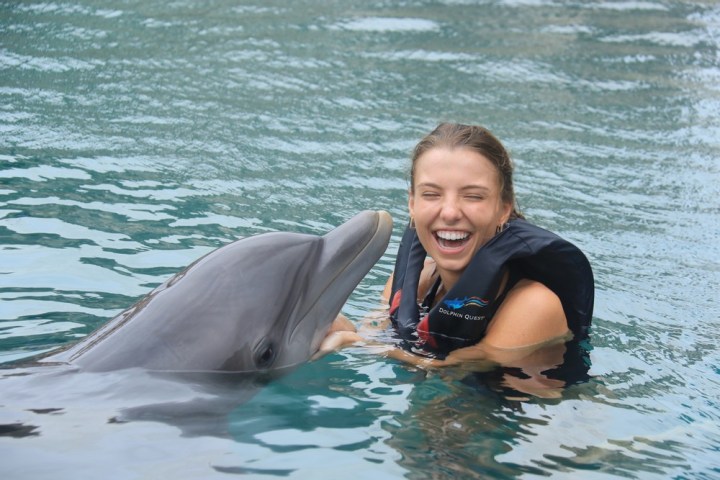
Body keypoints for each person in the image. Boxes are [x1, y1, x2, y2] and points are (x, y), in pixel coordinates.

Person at [320, 123, 594, 374]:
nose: (450, 212)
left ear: (503, 209)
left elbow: (461, 368)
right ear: (412, 204)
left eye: (473, 196)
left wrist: (360, 345)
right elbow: (377, 332)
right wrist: (343, 329)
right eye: (431, 194)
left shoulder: (534, 303)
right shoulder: (414, 285)